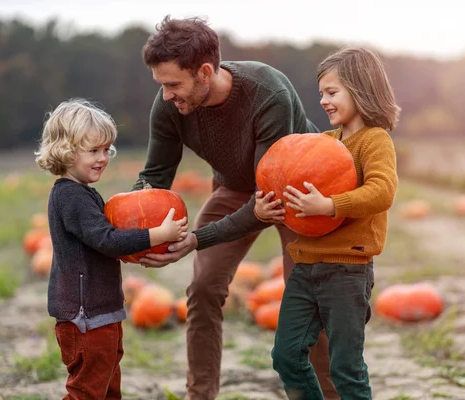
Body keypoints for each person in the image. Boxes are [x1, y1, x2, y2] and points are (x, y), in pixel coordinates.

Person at [132, 15, 339, 400]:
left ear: (205, 72)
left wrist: (197, 238)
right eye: (161, 85)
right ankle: (200, 395)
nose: (166, 96)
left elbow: (268, 199)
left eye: (174, 84)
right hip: (235, 187)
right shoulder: (169, 107)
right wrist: (126, 231)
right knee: (203, 287)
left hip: (298, 193)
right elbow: (154, 177)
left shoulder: (267, 93)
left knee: (308, 297)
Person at [255, 47, 400, 399]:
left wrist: (330, 205)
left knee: (345, 367)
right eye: (321, 93)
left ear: (361, 89)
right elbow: (289, 180)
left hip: (347, 271)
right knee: (286, 356)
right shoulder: (321, 143)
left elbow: (382, 191)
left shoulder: (374, 141)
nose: (323, 100)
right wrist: (266, 208)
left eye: (332, 92)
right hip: (306, 267)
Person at [35, 98, 188, 399]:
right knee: (87, 392)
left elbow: (100, 245)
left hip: (101, 314)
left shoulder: (82, 193)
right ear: (66, 151)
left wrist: (133, 252)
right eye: (93, 150)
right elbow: (107, 239)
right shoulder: (71, 197)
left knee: (107, 388)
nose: (103, 158)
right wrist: (157, 234)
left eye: (106, 150)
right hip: (85, 319)